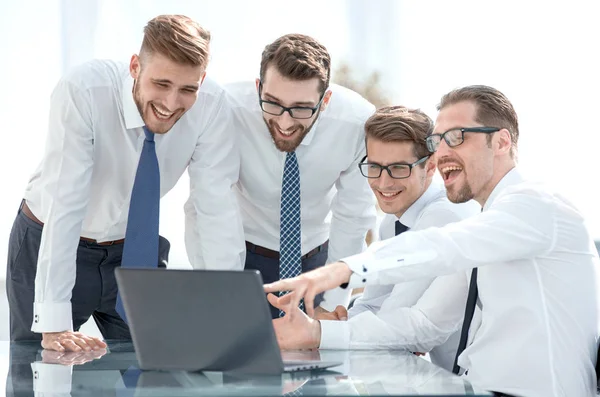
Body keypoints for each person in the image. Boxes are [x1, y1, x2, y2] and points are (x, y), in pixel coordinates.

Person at [264, 85, 600, 397]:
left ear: (501, 142)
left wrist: (341, 270)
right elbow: (425, 324)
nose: (440, 154)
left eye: (456, 137)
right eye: (438, 141)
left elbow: (441, 246)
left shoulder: (536, 206)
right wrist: (316, 333)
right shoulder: (489, 228)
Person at [6, 14, 245, 352]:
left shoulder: (212, 106)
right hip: (51, 241)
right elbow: (67, 201)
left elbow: (215, 207)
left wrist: (231, 309)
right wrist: (54, 322)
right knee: (39, 369)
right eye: (161, 84)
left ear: (202, 80)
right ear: (135, 66)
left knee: (153, 368)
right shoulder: (85, 90)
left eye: (188, 89)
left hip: (135, 252)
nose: (171, 103)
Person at [267, 105, 479, 371]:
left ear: (431, 166)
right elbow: (372, 303)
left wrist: (321, 331)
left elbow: (400, 317)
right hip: (441, 375)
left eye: (399, 168)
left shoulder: (445, 216)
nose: (383, 183)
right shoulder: (392, 221)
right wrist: (338, 322)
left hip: (475, 380)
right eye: (375, 167)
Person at [225, 33, 377, 319]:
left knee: (314, 360)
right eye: (272, 103)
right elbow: (209, 203)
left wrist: (332, 304)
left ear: (326, 99)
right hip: (242, 256)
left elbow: (353, 216)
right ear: (258, 87)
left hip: (319, 264)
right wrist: (223, 285)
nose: (285, 121)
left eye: (301, 108)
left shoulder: (357, 123)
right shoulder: (228, 109)